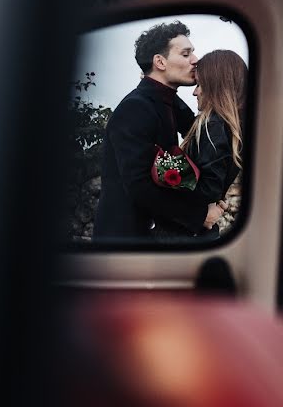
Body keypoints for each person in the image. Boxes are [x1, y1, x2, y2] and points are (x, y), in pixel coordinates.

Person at [93, 21, 224, 240]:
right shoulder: (135, 108)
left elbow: (200, 133)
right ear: (160, 61)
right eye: (185, 54)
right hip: (126, 244)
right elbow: (139, 186)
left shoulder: (166, 102)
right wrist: (199, 215)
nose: (196, 60)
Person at [179, 49, 247, 242]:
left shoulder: (213, 126)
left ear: (216, 87)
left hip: (189, 238)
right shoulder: (231, 126)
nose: (194, 91)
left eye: (200, 85)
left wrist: (170, 176)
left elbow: (209, 189)